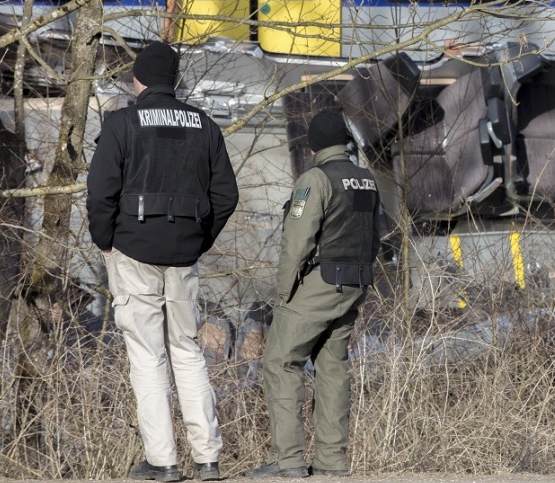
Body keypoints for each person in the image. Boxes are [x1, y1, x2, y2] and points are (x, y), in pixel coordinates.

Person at [86, 41, 239, 483]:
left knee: (148, 357)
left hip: (132, 252)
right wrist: (200, 241)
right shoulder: (205, 126)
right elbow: (226, 195)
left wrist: (106, 243)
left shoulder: (121, 124)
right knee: (188, 353)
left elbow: (100, 193)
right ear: (175, 81)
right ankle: (208, 459)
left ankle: (163, 462)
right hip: (184, 256)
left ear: (137, 80)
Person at [245, 110, 386, 479]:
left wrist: (283, 293)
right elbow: (376, 236)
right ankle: (331, 461)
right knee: (332, 368)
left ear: (315, 144)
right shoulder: (366, 180)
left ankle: (288, 460)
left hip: (318, 283)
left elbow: (296, 242)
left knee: (280, 361)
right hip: (354, 283)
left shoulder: (314, 179)